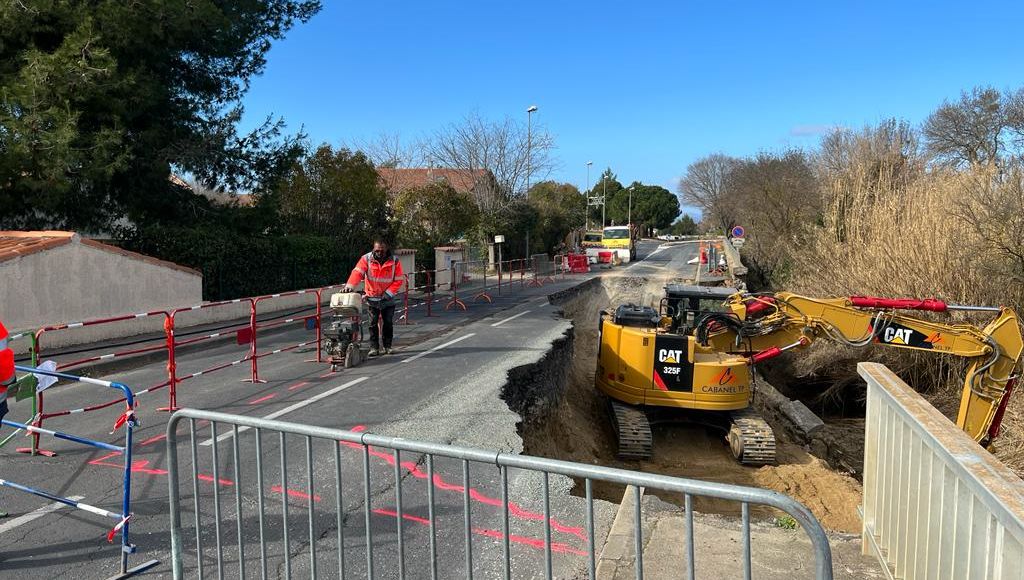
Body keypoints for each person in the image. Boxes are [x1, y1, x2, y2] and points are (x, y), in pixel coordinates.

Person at [343, 239, 404, 356]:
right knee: (372, 324)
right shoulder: (366, 259)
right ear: (373, 249)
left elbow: (398, 280)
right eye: (377, 251)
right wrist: (349, 286)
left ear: (386, 250)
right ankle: (374, 348)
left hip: (388, 299)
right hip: (372, 298)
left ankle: (387, 347)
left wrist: (389, 293)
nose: (379, 253)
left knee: (388, 323)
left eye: (382, 251)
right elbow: (357, 272)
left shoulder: (395, 261)